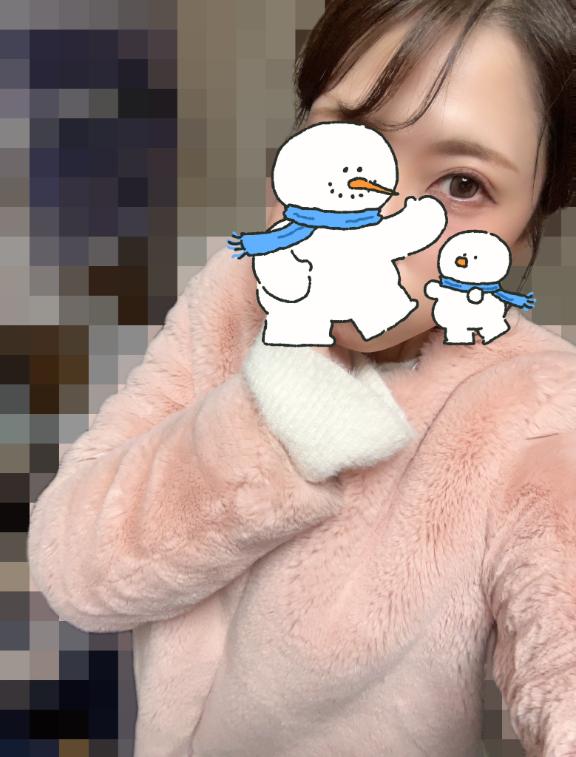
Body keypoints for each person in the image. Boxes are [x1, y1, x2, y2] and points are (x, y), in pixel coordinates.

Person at [26, 1, 575, 756]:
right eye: (350, 139)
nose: (379, 217)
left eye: (462, 183)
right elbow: (75, 566)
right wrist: (281, 415)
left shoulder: (537, 405)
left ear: (525, 230)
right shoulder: (237, 293)